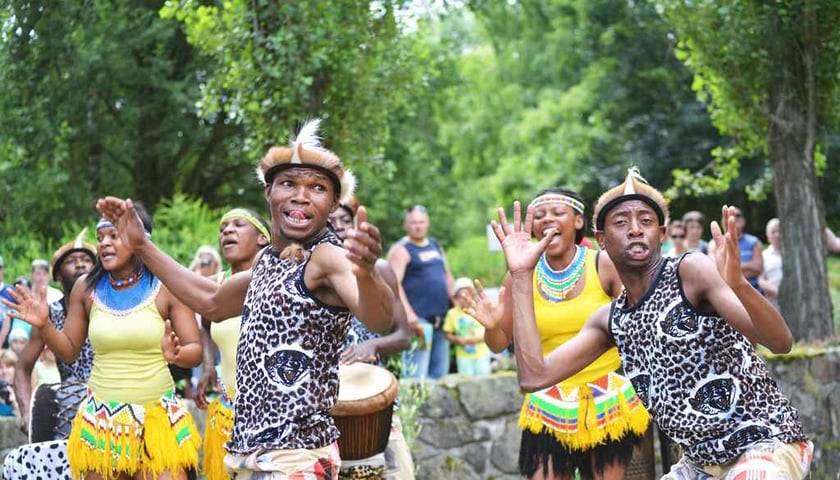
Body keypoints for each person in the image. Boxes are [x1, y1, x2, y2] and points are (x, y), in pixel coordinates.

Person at [96, 118, 393, 479]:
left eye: (317, 188)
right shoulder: (269, 261)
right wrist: (142, 246)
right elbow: (212, 301)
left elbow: (378, 319)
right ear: (268, 192)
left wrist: (368, 273)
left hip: (296, 456)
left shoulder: (327, 258)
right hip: (249, 453)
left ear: (332, 204)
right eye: (288, 183)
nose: (301, 195)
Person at [478, 168, 811, 479]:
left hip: (763, 442)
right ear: (601, 239)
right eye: (621, 221)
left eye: (646, 220)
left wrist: (738, 285)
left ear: (661, 233)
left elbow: (780, 342)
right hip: (699, 464)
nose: (635, 228)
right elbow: (534, 376)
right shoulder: (611, 320)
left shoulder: (690, 272)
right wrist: (521, 276)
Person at [3, 208, 204, 480]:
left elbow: (196, 350)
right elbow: (69, 350)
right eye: (100, 237)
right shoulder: (86, 288)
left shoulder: (165, 285)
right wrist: (45, 325)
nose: (104, 243)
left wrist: (177, 354)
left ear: (140, 239)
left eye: (114, 235)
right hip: (102, 422)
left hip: (156, 420)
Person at [475, 188, 649, 480]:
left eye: (558, 213)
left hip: (604, 398)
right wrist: (492, 326)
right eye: (540, 215)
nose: (547, 220)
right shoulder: (520, 274)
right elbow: (497, 344)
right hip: (547, 400)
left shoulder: (603, 264)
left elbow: (636, 330)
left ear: (578, 221)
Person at [329, 199, 415, 480]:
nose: (339, 226)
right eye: (332, 220)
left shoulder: (382, 270)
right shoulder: (311, 274)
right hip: (325, 406)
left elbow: (404, 335)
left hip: (375, 404)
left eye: (345, 220)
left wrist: (374, 344)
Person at [3, 230, 96, 480]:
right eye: (71, 260)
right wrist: (26, 412)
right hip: (68, 407)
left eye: (86, 260)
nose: (80, 264)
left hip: (111, 401)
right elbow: (22, 369)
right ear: (57, 275)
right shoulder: (48, 314)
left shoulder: (111, 307)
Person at [196, 207, 270, 480]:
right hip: (227, 411)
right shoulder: (215, 285)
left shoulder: (278, 279)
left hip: (272, 416)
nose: (227, 230)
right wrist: (207, 366)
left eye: (238, 225)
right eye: (223, 227)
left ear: (262, 238)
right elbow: (205, 324)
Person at [387, 205, 454, 379]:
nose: (418, 226)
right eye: (413, 222)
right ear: (406, 225)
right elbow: (393, 284)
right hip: (419, 323)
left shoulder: (435, 246)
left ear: (427, 223)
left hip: (441, 320)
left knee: (440, 376)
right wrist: (408, 314)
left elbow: (447, 275)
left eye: (421, 222)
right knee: (416, 378)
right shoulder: (401, 249)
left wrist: (456, 304)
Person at [443, 278, 491, 377]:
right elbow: (447, 334)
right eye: (461, 296)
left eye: (467, 294)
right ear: (456, 298)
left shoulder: (479, 309)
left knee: (484, 378)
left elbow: (490, 328)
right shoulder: (452, 313)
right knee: (466, 381)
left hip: (481, 353)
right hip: (463, 355)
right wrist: (458, 340)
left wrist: (477, 338)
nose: (464, 298)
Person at [708, 206, 763, 291]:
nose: (733, 218)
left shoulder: (755, 242)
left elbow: (758, 268)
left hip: (753, 289)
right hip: (727, 292)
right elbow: (714, 269)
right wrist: (747, 266)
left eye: (738, 215)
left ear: (744, 221)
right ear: (722, 221)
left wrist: (728, 267)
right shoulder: (714, 243)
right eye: (729, 215)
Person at [759, 218, 782, 310]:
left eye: (780, 231)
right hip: (773, 304)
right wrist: (779, 293)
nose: (777, 235)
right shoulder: (764, 256)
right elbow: (760, 280)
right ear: (768, 236)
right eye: (773, 232)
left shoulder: (794, 255)